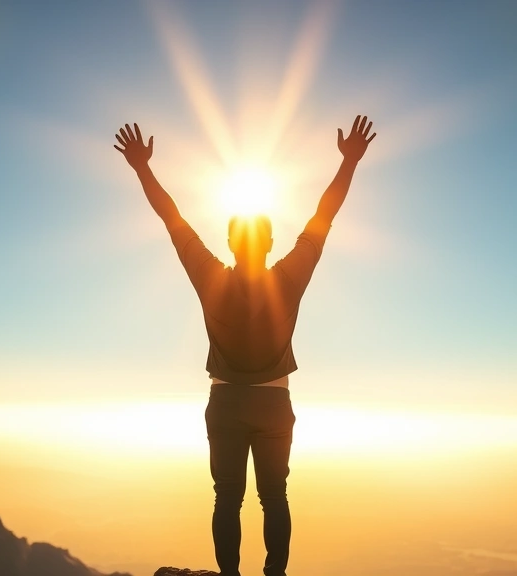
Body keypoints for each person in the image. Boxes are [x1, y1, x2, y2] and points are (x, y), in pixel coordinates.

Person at [114, 116, 376, 576]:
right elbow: (324, 215)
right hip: (275, 402)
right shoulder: (290, 277)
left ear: (232, 242)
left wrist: (142, 168)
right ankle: (275, 574)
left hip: (226, 400)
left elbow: (172, 219)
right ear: (272, 243)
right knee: (274, 496)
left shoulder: (210, 277)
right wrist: (349, 161)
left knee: (227, 498)